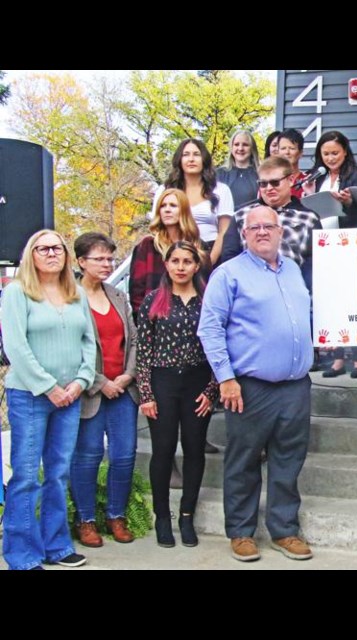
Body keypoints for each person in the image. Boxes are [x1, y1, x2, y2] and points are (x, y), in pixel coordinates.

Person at [198, 206, 314, 563]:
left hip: (296, 385)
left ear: (281, 232)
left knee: (288, 459)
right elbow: (210, 328)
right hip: (249, 386)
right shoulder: (228, 274)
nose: (262, 232)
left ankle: (284, 530)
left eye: (269, 226)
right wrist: (226, 379)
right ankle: (241, 532)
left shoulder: (293, 269)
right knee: (244, 459)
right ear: (244, 235)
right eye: (255, 228)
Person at [1, 230, 96, 570]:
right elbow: (16, 348)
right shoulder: (16, 293)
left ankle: (56, 546)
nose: (51, 253)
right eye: (43, 248)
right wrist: (48, 387)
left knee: (58, 473)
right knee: (27, 475)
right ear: (31, 255)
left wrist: (81, 381)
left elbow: (89, 342)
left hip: (70, 398)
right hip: (29, 396)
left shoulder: (76, 294)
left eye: (57, 247)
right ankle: (23, 554)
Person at [136, 241, 217, 548]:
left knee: (194, 448)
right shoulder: (154, 300)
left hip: (198, 382)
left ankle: (186, 515)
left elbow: (216, 347)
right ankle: (162, 518)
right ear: (166, 265)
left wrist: (212, 390)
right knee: (164, 449)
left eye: (188, 261)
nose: (181, 266)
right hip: (163, 382)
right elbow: (143, 350)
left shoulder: (209, 300)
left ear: (197, 266)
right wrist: (146, 393)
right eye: (175, 261)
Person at [70, 233, 139, 548]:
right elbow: (70, 347)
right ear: (82, 262)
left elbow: (134, 340)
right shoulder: (70, 297)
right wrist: (101, 382)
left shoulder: (117, 295)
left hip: (123, 390)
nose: (107, 264)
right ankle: (85, 520)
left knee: (124, 456)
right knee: (89, 455)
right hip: (90, 392)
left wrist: (127, 376)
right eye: (99, 258)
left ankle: (116, 516)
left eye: (110, 258)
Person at [310, 130, 357, 378]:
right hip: (325, 244)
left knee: (352, 299)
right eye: (326, 154)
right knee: (332, 300)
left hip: (350, 242)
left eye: (335, 153)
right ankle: (336, 359)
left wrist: (347, 202)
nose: (331, 158)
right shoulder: (317, 176)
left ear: (345, 151)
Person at [152, 139, 234, 266]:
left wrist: (208, 263)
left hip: (210, 252)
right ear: (179, 159)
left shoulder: (221, 190)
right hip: (172, 253)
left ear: (204, 159)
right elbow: (156, 227)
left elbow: (224, 231)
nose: (191, 159)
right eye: (186, 155)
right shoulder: (164, 190)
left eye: (196, 154)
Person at [129, 188, 206, 314]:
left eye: (173, 205)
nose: (167, 210)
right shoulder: (147, 245)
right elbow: (136, 293)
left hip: (193, 319)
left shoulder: (198, 246)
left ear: (184, 210)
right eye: (163, 206)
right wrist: (146, 321)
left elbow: (205, 289)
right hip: (156, 320)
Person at [217, 130, 261, 208]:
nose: (240, 148)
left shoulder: (261, 174)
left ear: (252, 149)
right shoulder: (219, 174)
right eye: (236, 144)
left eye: (245, 145)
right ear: (231, 148)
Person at [277, 129, 309, 199]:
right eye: (283, 148)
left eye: (292, 148)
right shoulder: (269, 181)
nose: (287, 152)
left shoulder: (308, 181)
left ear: (301, 153)